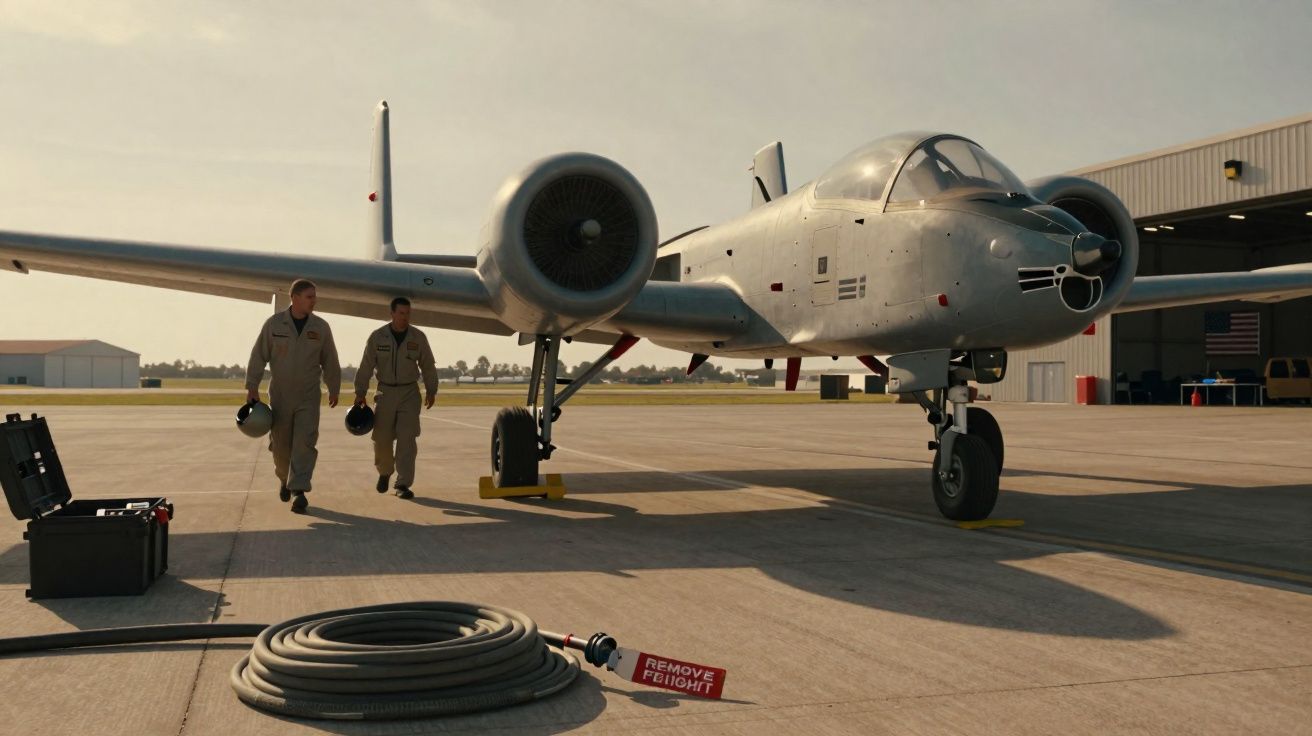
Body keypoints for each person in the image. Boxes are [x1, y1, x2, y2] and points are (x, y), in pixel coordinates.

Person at [245, 279, 341, 513]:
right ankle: (283, 478)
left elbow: (330, 359)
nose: (314, 301)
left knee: (305, 442)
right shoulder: (274, 325)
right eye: (309, 297)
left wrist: (334, 387)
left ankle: (299, 489)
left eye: (314, 296)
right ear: (294, 297)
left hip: (309, 395)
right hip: (281, 395)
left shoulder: (321, 327)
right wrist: (252, 386)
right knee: (281, 446)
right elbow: (258, 355)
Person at [353, 296, 438, 499]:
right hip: (385, 392)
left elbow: (428, 365)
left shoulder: (418, 337)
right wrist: (360, 393)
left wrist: (431, 390)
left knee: (407, 439)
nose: (405, 317)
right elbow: (366, 366)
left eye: (408, 313)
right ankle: (385, 472)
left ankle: (403, 484)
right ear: (391, 313)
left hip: (409, 393)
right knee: (381, 439)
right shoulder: (378, 337)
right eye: (401, 313)